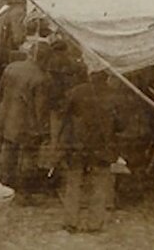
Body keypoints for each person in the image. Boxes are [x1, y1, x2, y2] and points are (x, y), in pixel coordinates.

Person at [59, 70, 122, 234]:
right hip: (102, 147)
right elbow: (121, 125)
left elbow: (63, 115)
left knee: (73, 183)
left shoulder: (76, 92)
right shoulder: (113, 96)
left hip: (77, 146)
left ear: (90, 76)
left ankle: (70, 222)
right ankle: (94, 224)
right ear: (106, 77)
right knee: (100, 185)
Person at [0, 43, 50, 201]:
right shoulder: (41, 78)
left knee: (7, 154)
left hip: (6, 118)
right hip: (27, 124)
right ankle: (24, 193)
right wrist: (44, 130)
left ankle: (4, 186)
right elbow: (40, 109)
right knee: (28, 158)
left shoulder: (12, 67)